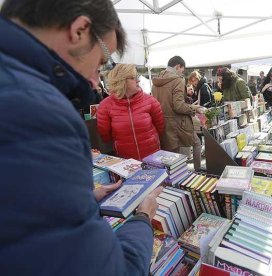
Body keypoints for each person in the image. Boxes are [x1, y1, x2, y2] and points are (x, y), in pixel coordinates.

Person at [0, 1, 163, 275]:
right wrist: (143, 217)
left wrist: (86, 199)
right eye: (100, 63)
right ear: (80, 30)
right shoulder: (39, 112)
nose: (94, 82)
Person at [97, 64, 165, 160]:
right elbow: (105, 136)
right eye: (133, 78)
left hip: (153, 157)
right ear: (121, 81)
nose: (138, 80)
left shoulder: (150, 101)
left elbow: (160, 127)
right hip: (126, 161)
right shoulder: (105, 106)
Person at [152, 56, 204, 171]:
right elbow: (178, 106)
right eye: (182, 70)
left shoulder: (156, 81)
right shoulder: (178, 80)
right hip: (178, 123)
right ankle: (197, 171)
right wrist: (194, 108)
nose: (182, 73)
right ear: (177, 66)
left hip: (161, 122)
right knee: (192, 146)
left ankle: (173, 179)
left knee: (169, 156)